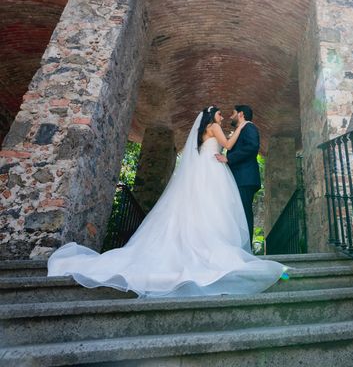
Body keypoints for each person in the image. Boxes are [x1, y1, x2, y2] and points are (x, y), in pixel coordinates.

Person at [47, 106, 287, 298]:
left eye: (228, 115)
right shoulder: (216, 127)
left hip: (203, 171)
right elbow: (227, 146)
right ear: (211, 116)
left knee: (198, 206)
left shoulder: (201, 135)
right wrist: (239, 128)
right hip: (212, 171)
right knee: (213, 207)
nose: (223, 116)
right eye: (219, 113)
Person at [215, 105, 260, 245]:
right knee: (238, 214)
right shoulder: (242, 130)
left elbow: (252, 147)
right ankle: (240, 246)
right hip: (240, 178)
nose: (230, 116)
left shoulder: (249, 127)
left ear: (241, 114)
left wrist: (229, 158)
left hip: (245, 179)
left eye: (233, 113)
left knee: (244, 213)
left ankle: (247, 249)